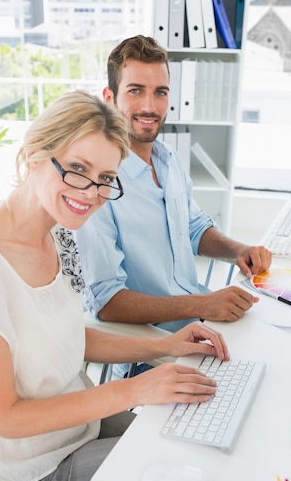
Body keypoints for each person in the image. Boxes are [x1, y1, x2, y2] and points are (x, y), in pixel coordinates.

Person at [0, 89, 230, 481]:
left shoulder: (59, 233)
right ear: (34, 155)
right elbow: (5, 417)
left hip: (77, 428)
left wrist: (163, 348)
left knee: (196, 431)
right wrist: (133, 389)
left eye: (106, 178)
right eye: (77, 168)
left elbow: (66, 334)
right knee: (181, 474)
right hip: (31, 472)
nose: (91, 192)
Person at [76, 35, 272, 375]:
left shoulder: (168, 160)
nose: (150, 107)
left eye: (160, 92)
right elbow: (107, 302)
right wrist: (204, 304)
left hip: (201, 326)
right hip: (152, 352)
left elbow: (194, 227)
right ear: (109, 98)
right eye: (135, 90)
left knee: (272, 367)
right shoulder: (98, 187)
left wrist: (238, 249)